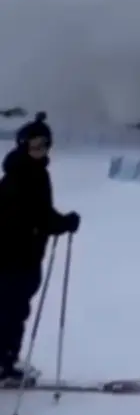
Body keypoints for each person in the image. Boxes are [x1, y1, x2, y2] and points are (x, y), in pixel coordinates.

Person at [0, 135, 80, 383]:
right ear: (24, 146)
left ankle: (6, 359)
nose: (40, 150)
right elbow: (33, 217)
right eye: (35, 145)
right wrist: (61, 223)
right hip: (12, 256)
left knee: (14, 309)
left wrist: (61, 222)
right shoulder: (19, 176)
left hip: (27, 254)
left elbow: (42, 213)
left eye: (44, 145)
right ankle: (4, 365)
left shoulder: (36, 172)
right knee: (11, 311)